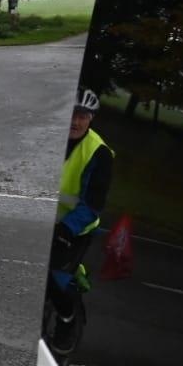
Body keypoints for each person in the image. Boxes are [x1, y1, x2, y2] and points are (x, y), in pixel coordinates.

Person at [47, 87, 114, 343]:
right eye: (72, 114)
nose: (75, 121)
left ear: (91, 119)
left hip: (74, 228)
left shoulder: (99, 154)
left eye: (83, 116)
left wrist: (65, 229)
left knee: (51, 279)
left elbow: (93, 204)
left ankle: (67, 319)